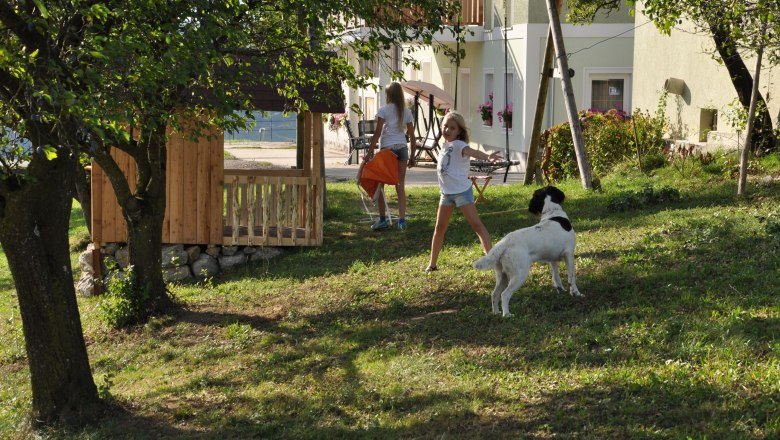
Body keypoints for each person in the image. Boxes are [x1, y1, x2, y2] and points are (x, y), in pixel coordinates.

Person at [425, 111, 502, 272]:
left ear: (459, 131)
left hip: (462, 192)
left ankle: (492, 260)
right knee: (439, 228)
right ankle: (432, 265)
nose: (447, 130)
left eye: (452, 128)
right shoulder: (445, 146)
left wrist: (488, 157)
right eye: (445, 126)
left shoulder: (460, 145)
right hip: (446, 194)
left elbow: (473, 152)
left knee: (477, 225)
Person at [366, 82, 416, 230]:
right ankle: (402, 221)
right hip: (402, 148)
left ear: (388, 95)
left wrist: (369, 153)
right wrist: (413, 156)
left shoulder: (383, 110)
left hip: (387, 149)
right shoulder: (406, 112)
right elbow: (412, 136)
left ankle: (382, 220)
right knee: (400, 185)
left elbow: (377, 133)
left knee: (380, 185)